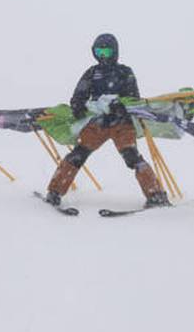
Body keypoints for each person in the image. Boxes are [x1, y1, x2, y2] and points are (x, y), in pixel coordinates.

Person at [44, 33, 170, 208]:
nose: (103, 56)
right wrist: (78, 106)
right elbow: (78, 96)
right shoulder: (92, 72)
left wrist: (120, 107)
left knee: (132, 157)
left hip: (121, 124)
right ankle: (54, 192)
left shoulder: (125, 72)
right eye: (99, 51)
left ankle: (156, 195)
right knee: (78, 155)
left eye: (107, 51)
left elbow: (133, 99)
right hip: (97, 124)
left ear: (115, 52)